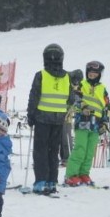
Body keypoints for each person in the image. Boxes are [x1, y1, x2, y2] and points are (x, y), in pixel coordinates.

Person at [26, 44, 71, 195]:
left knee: (40, 151)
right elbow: (71, 98)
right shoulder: (67, 77)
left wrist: (31, 115)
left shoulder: (41, 75)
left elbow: (34, 96)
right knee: (53, 150)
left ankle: (40, 181)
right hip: (59, 120)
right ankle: (52, 181)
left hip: (42, 118)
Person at [64, 61, 110, 186]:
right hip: (83, 121)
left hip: (96, 124)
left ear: (99, 75)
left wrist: (105, 123)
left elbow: (106, 107)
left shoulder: (102, 89)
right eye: (90, 73)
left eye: (95, 73)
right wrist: (83, 107)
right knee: (80, 148)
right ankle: (71, 175)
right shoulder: (81, 84)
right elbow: (76, 98)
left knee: (90, 151)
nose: (92, 75)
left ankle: (84, 173)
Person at [61, 69, 84, 167]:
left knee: (66, 136)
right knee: (60, 137)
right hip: (59, 112)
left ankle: (67, 158)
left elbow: (79, 101)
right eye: (75, 81)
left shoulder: (78, 87)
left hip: (68, 115)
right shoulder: (65, 82)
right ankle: (64, 157)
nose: (76, 83)